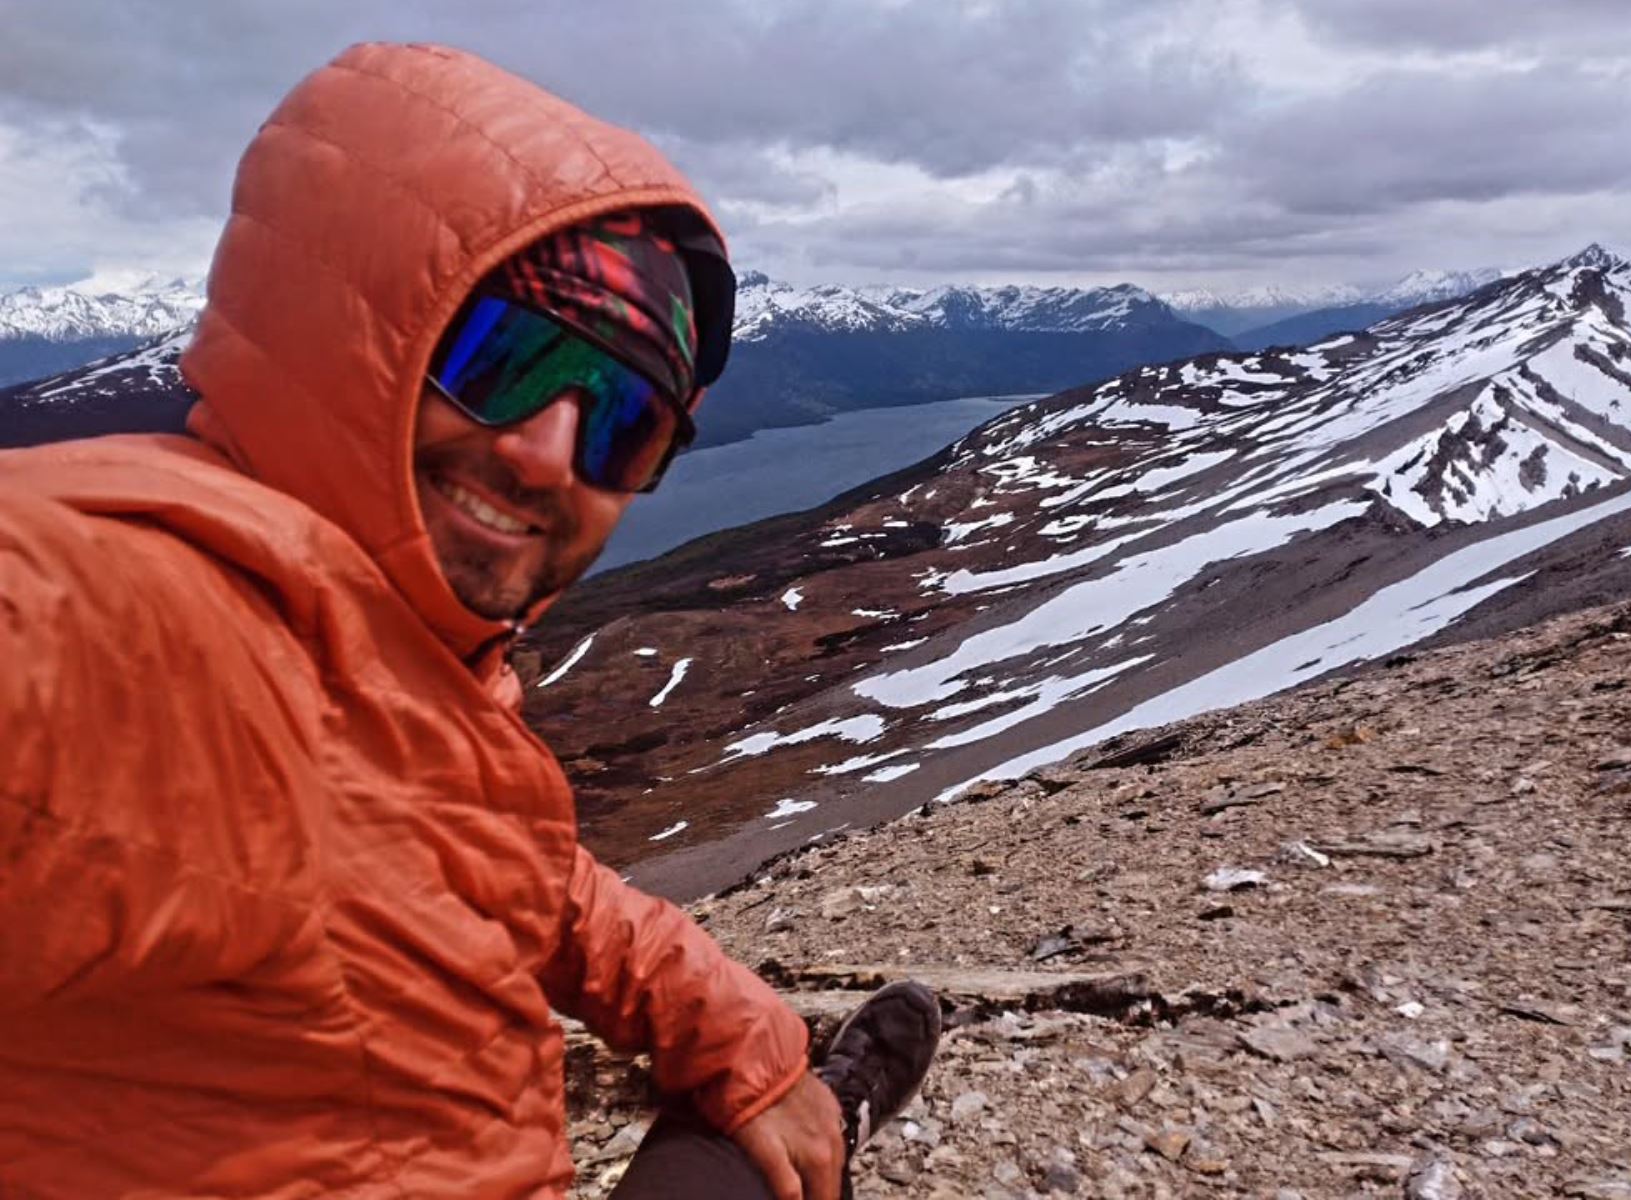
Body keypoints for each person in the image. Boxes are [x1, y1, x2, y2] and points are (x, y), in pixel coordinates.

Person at [0, 42, 938, 1199]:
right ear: (347, 340)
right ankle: (839, 1112)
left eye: (620, 423)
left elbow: (500, 874)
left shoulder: (401, 667)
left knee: (752, 1142)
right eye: (503, 358)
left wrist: (740, 1034)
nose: (547, 456)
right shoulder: (133, 607)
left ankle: (816, 1099)